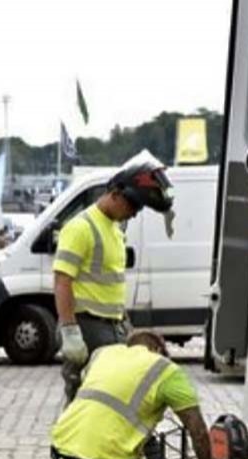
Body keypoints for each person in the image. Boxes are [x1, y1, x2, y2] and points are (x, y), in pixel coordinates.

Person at [50, 331, 216, 459]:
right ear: (158, 350)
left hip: (62, 451)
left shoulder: (103, 354)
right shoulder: (165, 369)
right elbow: (198, 431)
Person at [53, 150, 176, 403]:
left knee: (113, 398)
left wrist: (125, 323)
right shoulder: (80, 228)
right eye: (133, 204)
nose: (135, 212)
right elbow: (62, 280)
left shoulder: (115, 229)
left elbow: (111, 283)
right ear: (115, 194)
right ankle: (68, 443)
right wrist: (69, 331)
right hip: (88, 327)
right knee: (84, 400)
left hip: (113, 326)